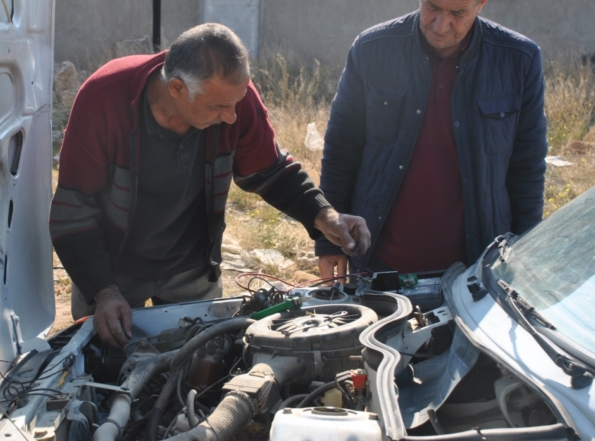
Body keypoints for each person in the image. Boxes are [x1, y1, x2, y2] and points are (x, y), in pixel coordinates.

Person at [51, 23, 370, 347]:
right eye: (218, 107)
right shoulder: (104, 99)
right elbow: (73, 212)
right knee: (100, 369)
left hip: (191, 268)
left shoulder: (234, 99)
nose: (233, 116)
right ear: (176, 88)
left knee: (196, 365)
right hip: (111, 267)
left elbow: (271, 171)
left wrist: (325, 216)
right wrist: (102, 290)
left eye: (236, 103)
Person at [317, 0, 547, 279]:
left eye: (457, 13)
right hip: (377, 263)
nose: (441, 25)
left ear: (483, 1)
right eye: (432, 7)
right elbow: (341, 150)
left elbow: (527, 168)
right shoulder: (372, 50)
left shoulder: (519, 61)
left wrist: (523, 253)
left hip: (477, 269)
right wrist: (330, 243)